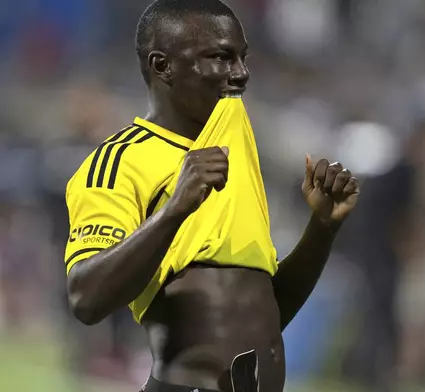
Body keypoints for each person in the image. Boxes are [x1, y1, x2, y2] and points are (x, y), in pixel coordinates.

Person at [62, 1, 360, 391]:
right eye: (220, 57)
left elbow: (264, 316)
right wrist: (175, 208)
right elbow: (85, 298)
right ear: (162, 65)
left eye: (242, 57)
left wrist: (322, 228)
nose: (240, 74)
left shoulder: (237, 153)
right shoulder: (120, 161)